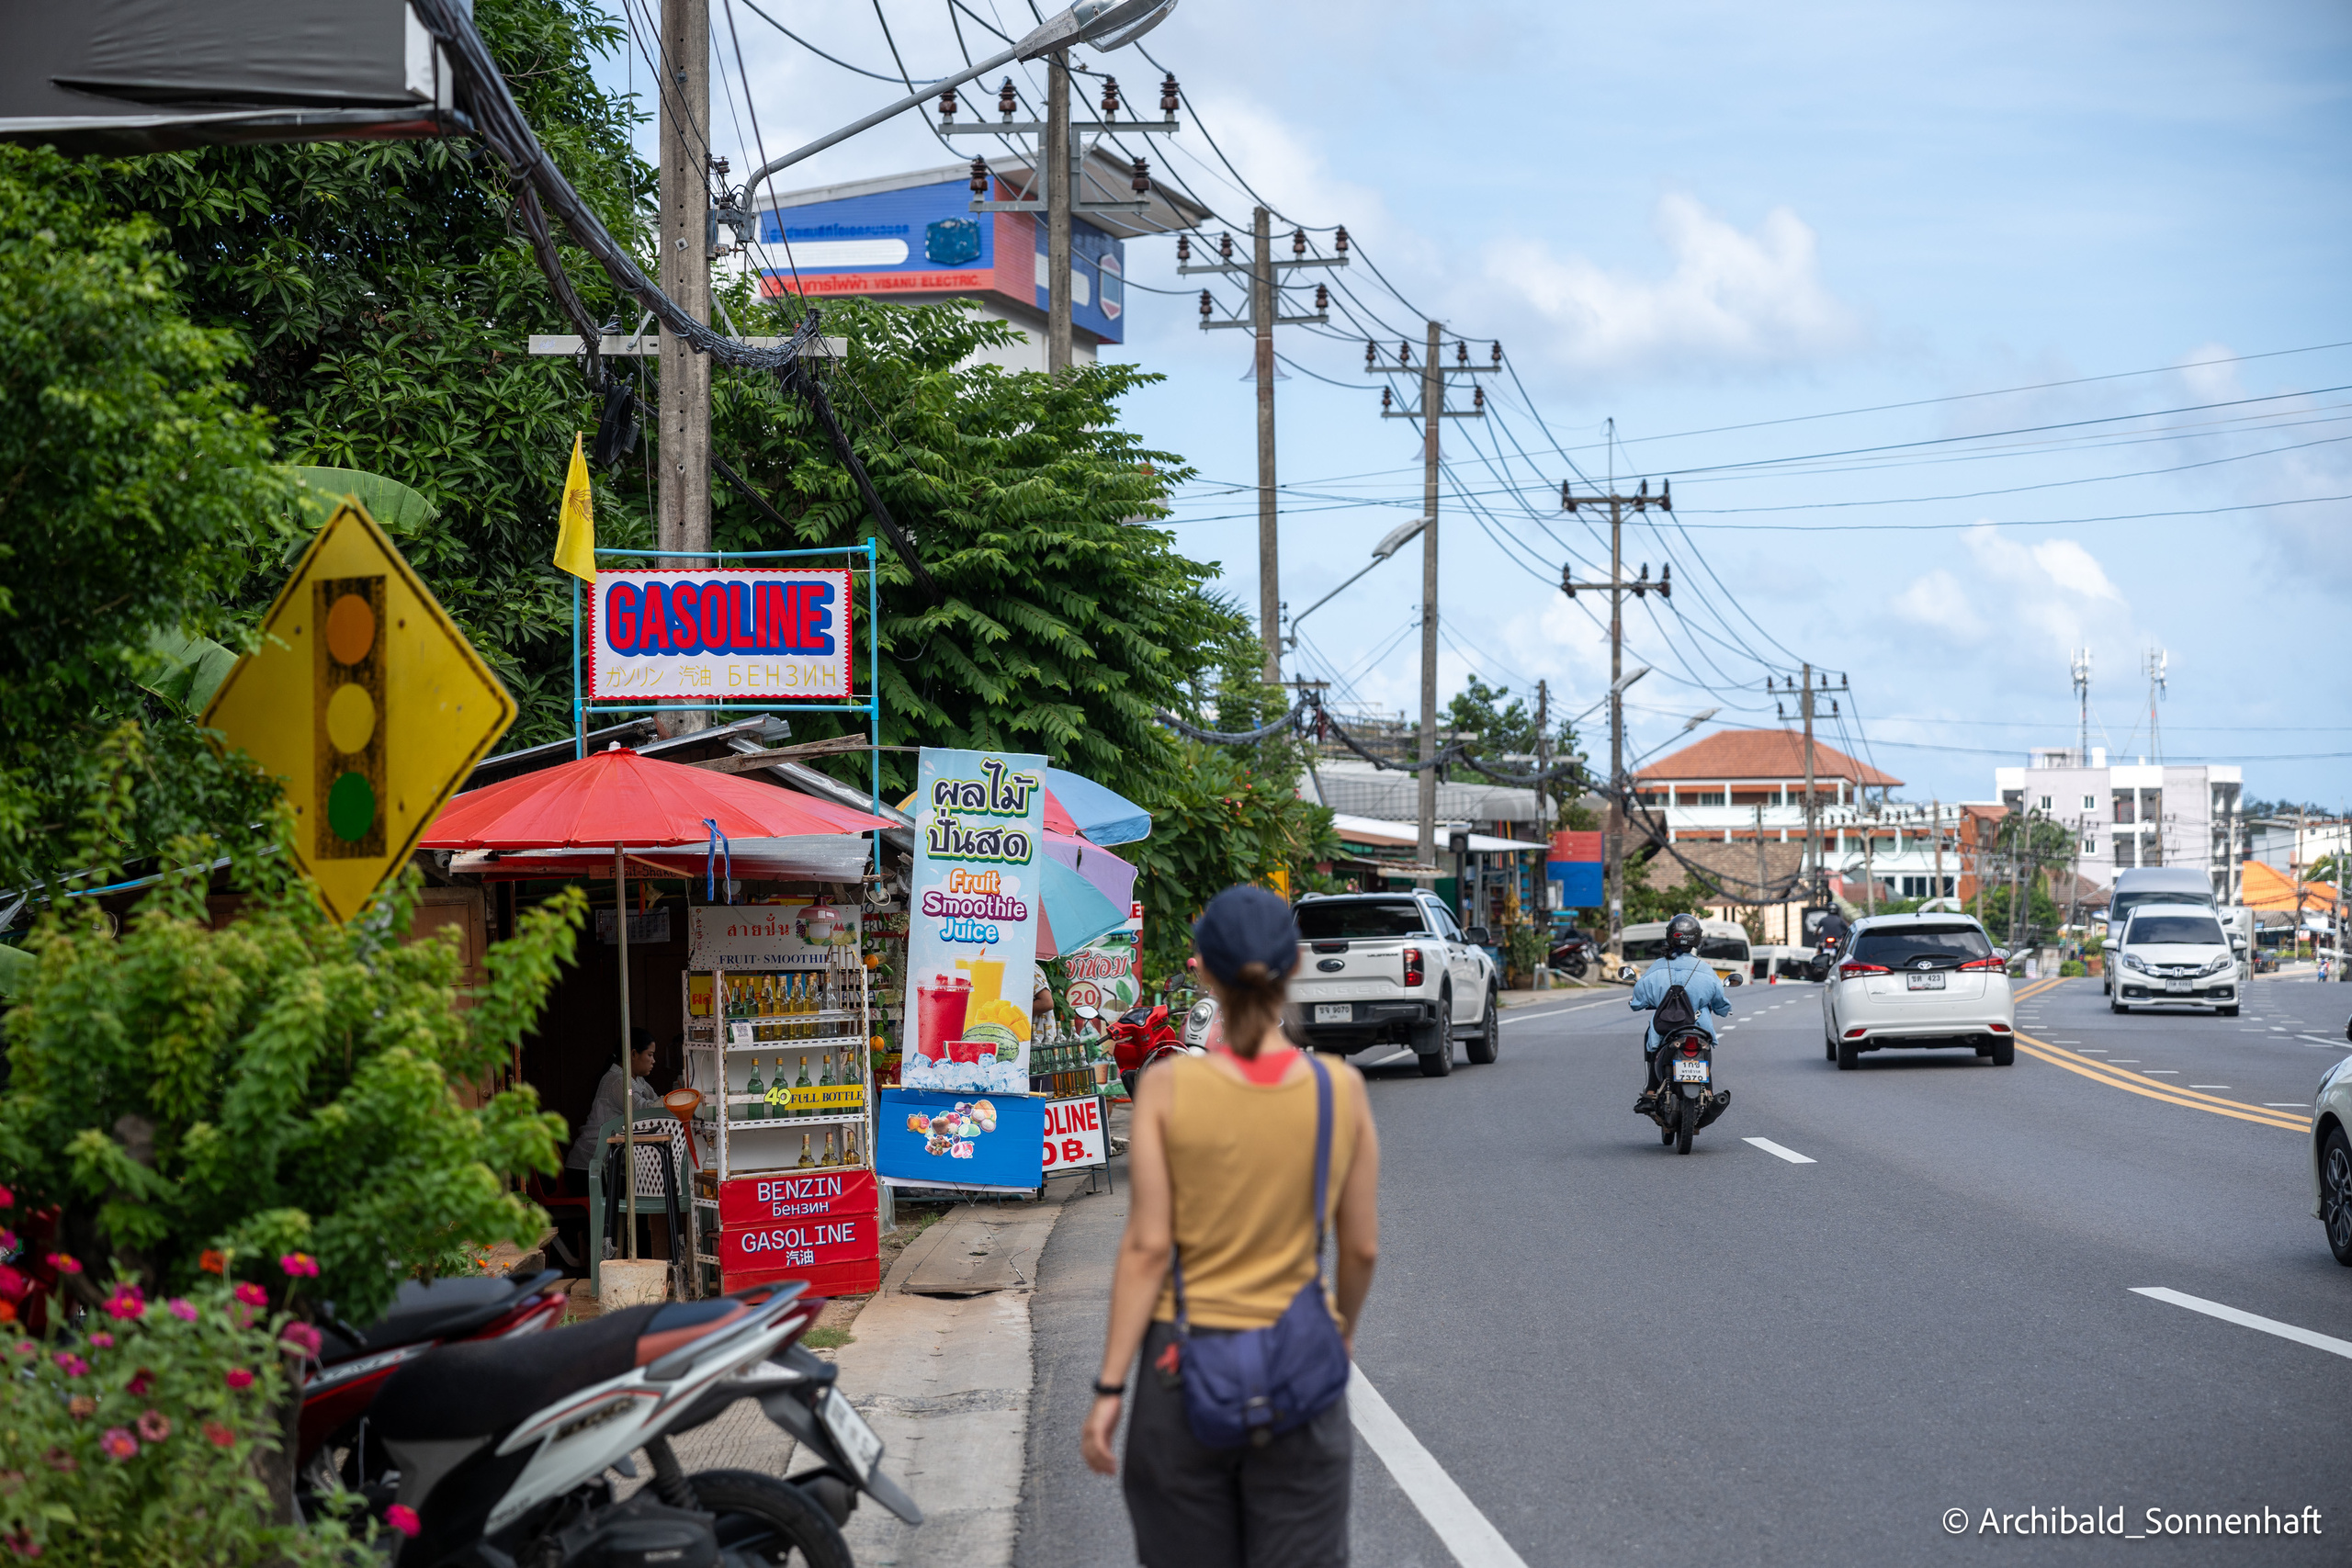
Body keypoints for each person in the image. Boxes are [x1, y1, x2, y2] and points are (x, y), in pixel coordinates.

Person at [1082, 886, 1382, 1568]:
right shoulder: (1340, 1090)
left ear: (1203, 970)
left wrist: (1108, 1390)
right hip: (1300, 1372)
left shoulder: (1166, 1090)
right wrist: (1342, 1328)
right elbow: (1361, 1247)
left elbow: (1149, 1245)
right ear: (1295, 964)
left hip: (1180, 1378)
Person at [1631, 912, 1733, 1114]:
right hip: (1698, 1027)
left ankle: (1651, 1090)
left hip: (1664, 1028)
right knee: (1704, 1052)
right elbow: (1720, 1001)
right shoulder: (1705, 970)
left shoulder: (1656, 968)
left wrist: (1640, 1003)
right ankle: (1709, 1092)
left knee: (1652, 1042)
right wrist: (1723, 1010)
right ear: (1696, 940)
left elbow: (1638, 1000)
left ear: (1670, 936)